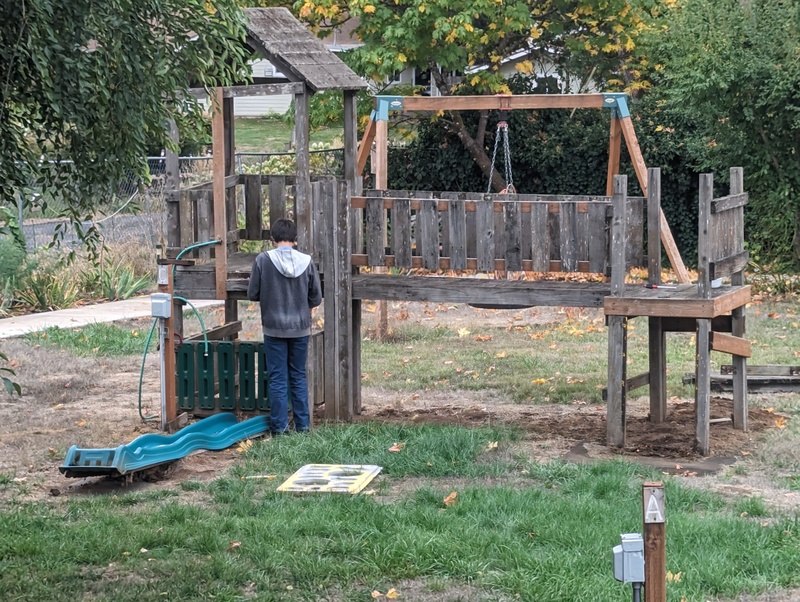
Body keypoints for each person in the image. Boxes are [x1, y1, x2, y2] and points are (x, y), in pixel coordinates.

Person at [247, 218, 322, 435]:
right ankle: (303, 427)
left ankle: (280, 428)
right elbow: (316, 297)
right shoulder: (307, 261)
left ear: (272, 238)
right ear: (295, 239)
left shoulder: (263, 260)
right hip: (300, 327)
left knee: (278, 378)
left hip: (273, 327)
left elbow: (252, 293)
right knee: (298, 375)